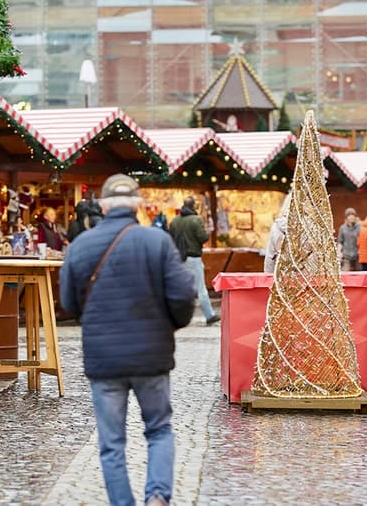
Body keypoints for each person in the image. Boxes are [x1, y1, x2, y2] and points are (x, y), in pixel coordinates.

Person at [59, 174, 196, 506]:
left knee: (111, 444)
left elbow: (68, 303)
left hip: (104, 360)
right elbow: (183, 296)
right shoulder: (157, 241)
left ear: (103, 207)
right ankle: (158, 497)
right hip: (152, 355)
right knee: (159, 429)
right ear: (137, 205)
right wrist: (170, 326)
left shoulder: (81, 246)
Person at [169, 196, 220, 325]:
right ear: (193, 206)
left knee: (180, 287)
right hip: (193, 258)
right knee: (201, 288)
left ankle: (176, 316)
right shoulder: (196, 220)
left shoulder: (175, 221)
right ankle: (209, 315)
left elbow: (170, 238)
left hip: (179, 258)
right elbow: (203, 237)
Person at [264, 192, 291, 274]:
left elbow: (270, 256)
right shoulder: (312, 228)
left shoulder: (277, 226)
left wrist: (268, 276)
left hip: (281, 274)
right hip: (306, 277)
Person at [337, 207, 361, 271]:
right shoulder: (342, 228)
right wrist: (339, 252)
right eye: (349, 215)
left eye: (353, 215)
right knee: (345, 272)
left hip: (358, 255)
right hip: (346, 255)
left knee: (359, 273)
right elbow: (340, 241)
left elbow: (362, 240)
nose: (351, 217)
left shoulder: (359, 227)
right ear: (346, 217)